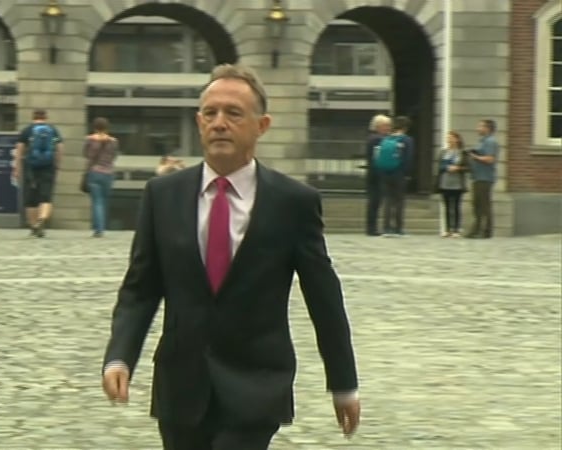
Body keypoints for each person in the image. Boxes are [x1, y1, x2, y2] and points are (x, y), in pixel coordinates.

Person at [101, 64, 360, 450]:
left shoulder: (293, 202)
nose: (219, 123)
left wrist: (343, 383)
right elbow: (140, 288)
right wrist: (119, 357)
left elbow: (323, 297)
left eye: (233, 113)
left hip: (257, 386)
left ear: (262, 125)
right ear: (198, 121)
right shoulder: (162, 196)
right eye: (211, 113)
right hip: (181, 385)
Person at [13, 109, 63, 238]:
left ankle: (34, 226)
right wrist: (57, 164)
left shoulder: (27, 130)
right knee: (46, 197)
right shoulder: (53, 130)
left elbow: (19, 151)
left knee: (31, 199)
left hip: (30, 167)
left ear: (33, 117)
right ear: (46, 117)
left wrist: (17, 168)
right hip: (48, 167)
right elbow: (59, 149)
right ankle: (42, 220)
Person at [375, 115, 414, 237]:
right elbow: (408, 158)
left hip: (385, 172)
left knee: (387, 200)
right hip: (399, 173)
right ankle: (398, 228)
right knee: (399, 201)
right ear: (406, 127)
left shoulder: (386, 138)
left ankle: (386, 227)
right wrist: (407, 173)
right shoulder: (406, 140)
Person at [83, 117, 119, 238]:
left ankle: (98, 229)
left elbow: (86, 155)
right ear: (107, 127)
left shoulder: (89, 139)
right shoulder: (114, 141)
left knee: (96, 201)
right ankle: (102, 226)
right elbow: (114, 156)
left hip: (94, 172)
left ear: (94, 127)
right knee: (104, 201)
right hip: (108, 173)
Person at [466, 119, 499, 239]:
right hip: (477, 176)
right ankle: (477, 229)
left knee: (484, 205)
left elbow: (490, 159)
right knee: (477, 204)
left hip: (485, 177)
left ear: (487, 128)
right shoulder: (481, 141)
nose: (477, 128)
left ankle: (486, 231)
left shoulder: (490, 142)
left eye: (480, 126)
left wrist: (474, 156)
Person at [436, 131, 468, 237]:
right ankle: (447, 229)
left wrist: (458, 168)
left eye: (451, 138)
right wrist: (446, 167)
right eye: (448, 138)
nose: (449, 140)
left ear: (457, 139)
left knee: (456, 206)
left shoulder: (462, 153)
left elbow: (468, 167)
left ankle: (457, 229)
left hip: (457, 183)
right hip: (445, 182)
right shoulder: (443, 152)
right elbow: (440, 166)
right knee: (447, 206)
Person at [364, 114, 392, 236]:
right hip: (376, 174)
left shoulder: (374, 138)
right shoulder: (377, 139)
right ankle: (372, 228)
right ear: (378, 126)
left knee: (376, 201)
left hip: (375, 172)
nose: (388, 128)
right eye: (386, 125)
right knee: (375, 201)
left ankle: (372, 227)